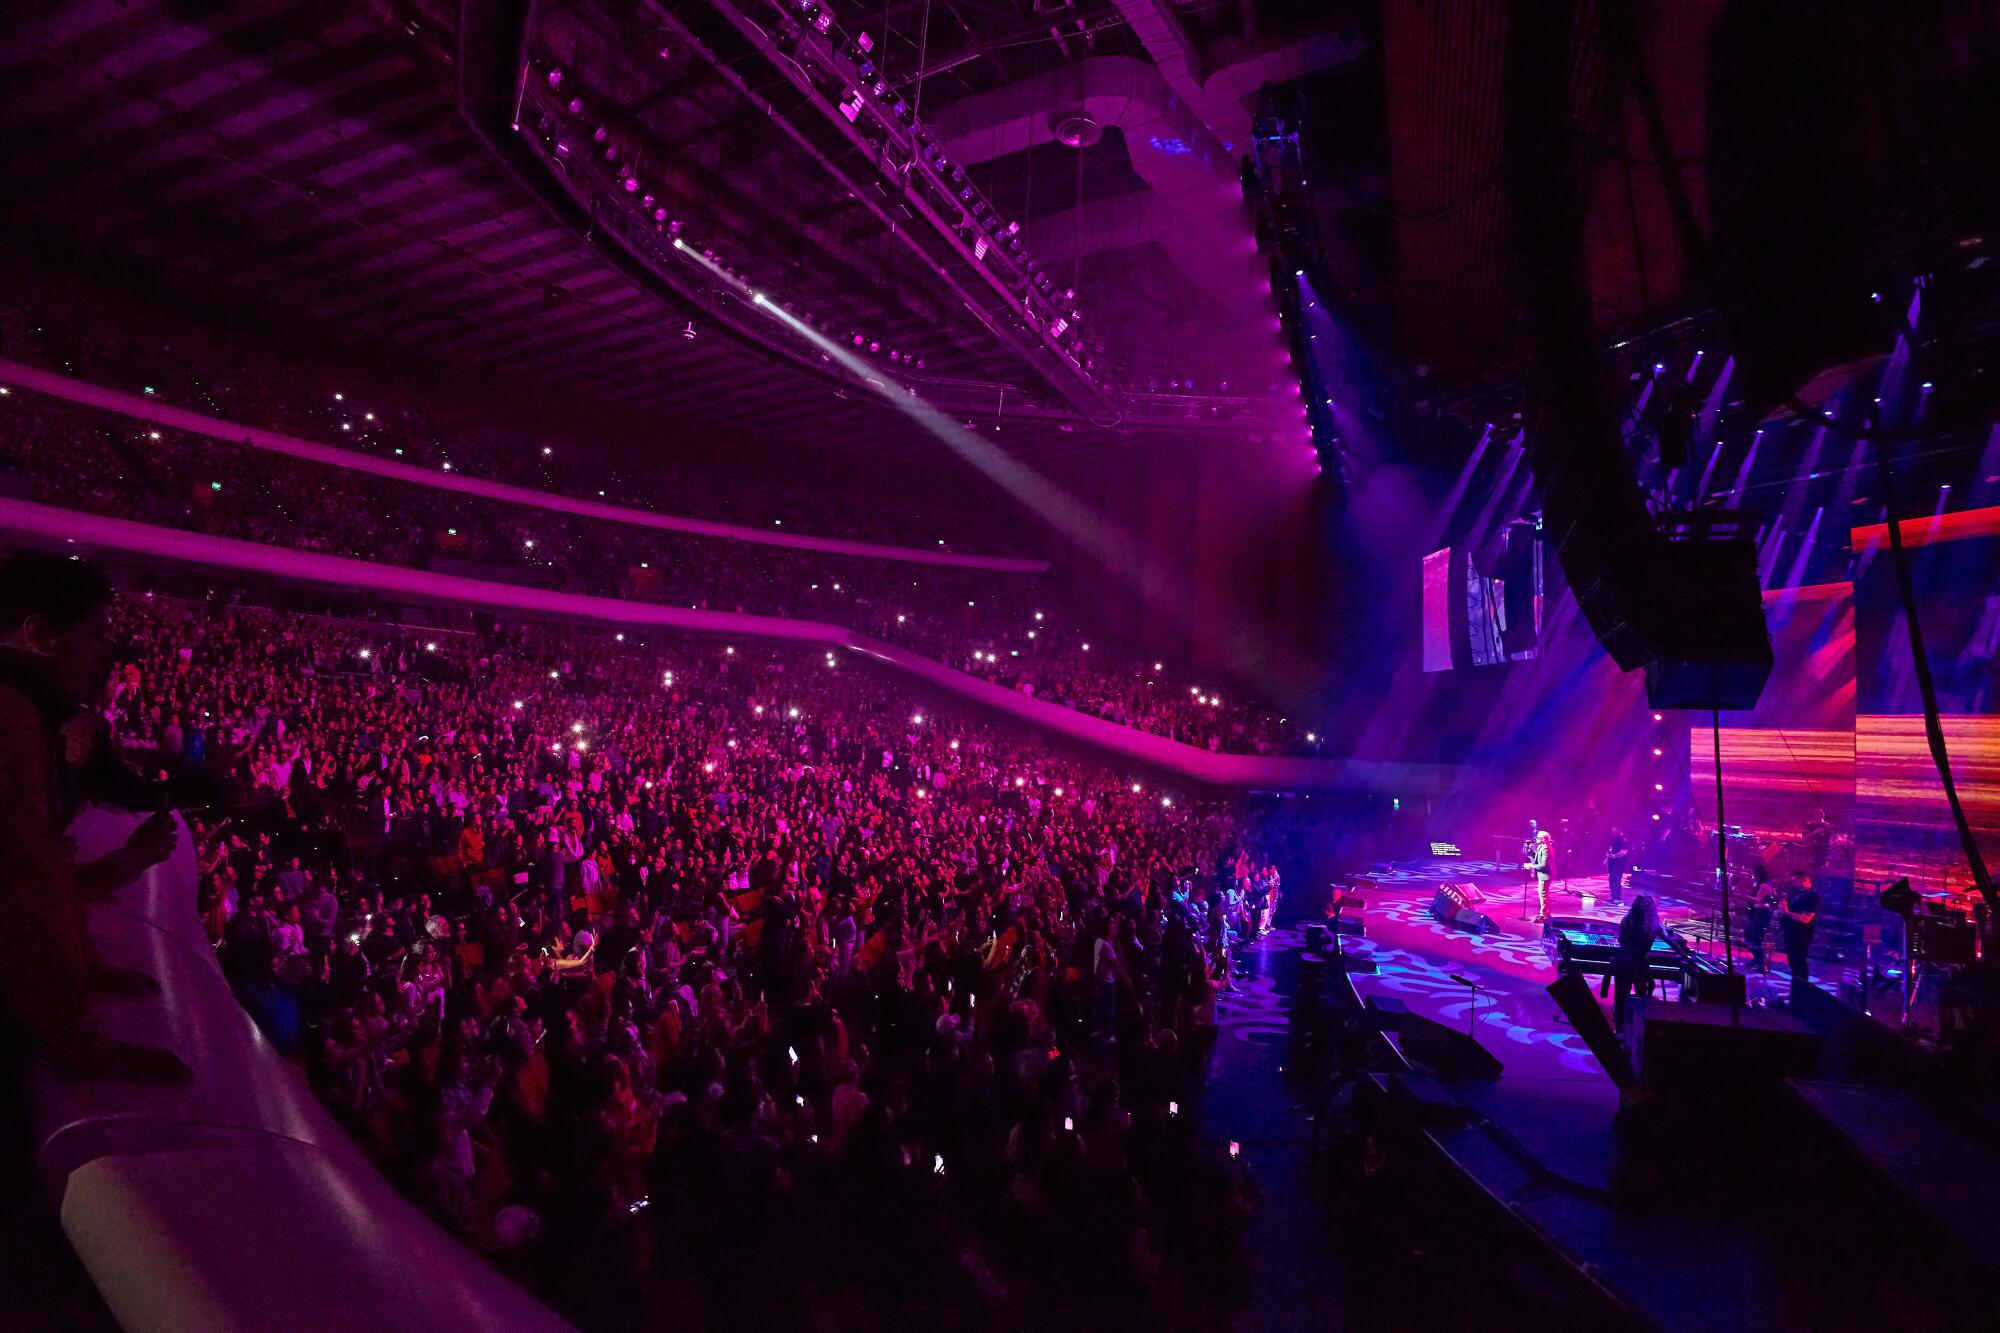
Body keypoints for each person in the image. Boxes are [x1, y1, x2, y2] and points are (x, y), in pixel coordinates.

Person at [0, 554, 189, 1082]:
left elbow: (39, 864)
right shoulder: (10, 719)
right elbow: (21, 894)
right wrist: (76, 1040)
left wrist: (90, 968)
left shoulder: (37, 713)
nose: (105, 651)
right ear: (39, 634)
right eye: (95, 632)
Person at [1611, 894, 1663, 1034]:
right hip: (1640, 963)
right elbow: (1670, 940)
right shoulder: (1654, 924)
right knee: (1642, 994)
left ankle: (1620, 1027)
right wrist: (1684, 955)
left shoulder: (1627, 920)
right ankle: (1639, 1027)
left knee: (1621, 995)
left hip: (1624, 961)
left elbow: (1621, 941)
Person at [1780, 871, 1819, 999]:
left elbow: (1806, 919)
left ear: (1803, 880)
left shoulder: (1812, 896)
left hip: (1801, 934)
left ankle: (1800, 994)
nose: (1794, 884)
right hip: (1792, 933)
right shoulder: (1799, 893)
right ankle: (1794, 992)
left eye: (1795, 881)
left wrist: (1786, 912)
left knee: (1799, 963)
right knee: (1794, 963)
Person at [1744, 866, 1778, 973]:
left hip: (1762, 913)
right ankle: (1756, 960)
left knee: (1758, 937)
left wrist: (1744, 896)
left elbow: (1759, 900)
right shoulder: (1764, 883)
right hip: (1759, 912)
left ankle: (1761, 963)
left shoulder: (1764, 885)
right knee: (1754, 936)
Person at [1525, 828, 1554, 923]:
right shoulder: (1541, 847)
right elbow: (1536, 857)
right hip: (1543, 874)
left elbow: (1543, 865)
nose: (1536, 839)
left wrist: (1531, 866)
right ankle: (1546, 913)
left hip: (1545, 875)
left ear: (1543, 839)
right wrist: (1529, 850)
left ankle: (1543, 915)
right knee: (1544, 894)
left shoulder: (1546, 848)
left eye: (1538, 837)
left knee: (1543, 894)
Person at [1604, 827, 1630, 905]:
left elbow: (1624, 852)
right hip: (1612, 862)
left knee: (1616, 879)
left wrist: (1614, 856)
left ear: (1619, 831)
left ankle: (1618, 898)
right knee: (1611, 879)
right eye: (1612, 831)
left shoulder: (1623, 840)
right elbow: (1610, 849)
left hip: (1619, 863)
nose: (1613, 832)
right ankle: (1613, 896)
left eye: (1614, 831)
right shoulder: (1613, 840)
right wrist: (1607, 857)